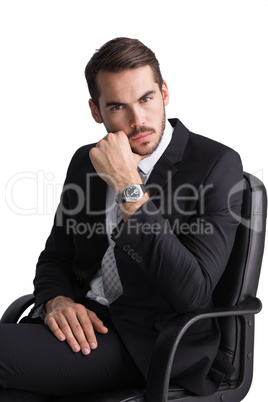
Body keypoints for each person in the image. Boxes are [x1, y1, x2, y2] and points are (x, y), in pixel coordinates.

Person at [0, 37, 243, 401]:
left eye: (146, 99)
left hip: (153, 343)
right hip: (83, 324)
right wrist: (57, 300)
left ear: (163, 92)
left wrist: (128, 185)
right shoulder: (86, 161)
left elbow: (191, 294)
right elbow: (56, 256)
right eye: (117, 107)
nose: (137, 121)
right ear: (96, 111)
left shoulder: (215, 165)